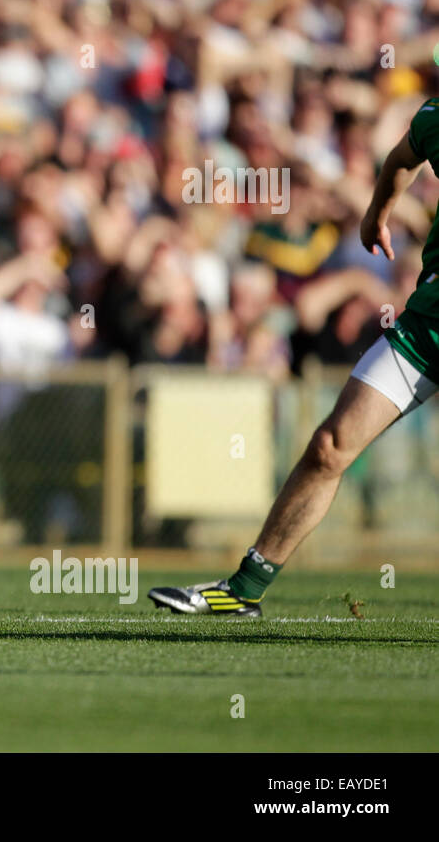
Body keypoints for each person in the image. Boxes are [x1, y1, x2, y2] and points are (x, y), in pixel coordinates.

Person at [150, 99, 439, 616]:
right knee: (331, 446)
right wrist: (377, 214)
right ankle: (242, 590)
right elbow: (402, 155)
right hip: (428, 322)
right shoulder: (436, 114)